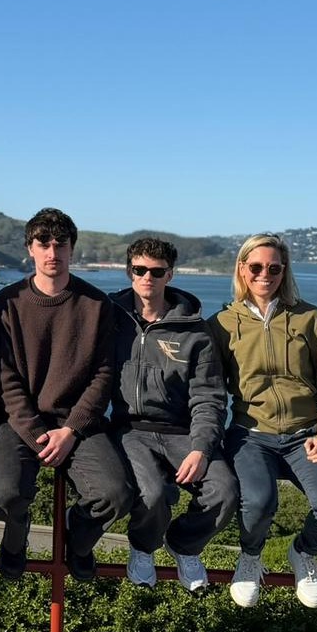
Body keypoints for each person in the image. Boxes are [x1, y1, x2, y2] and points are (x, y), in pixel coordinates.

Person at [0, 208, 133, 582]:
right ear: (30, 249)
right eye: (44, 244)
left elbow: (103, 375)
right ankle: (15, 538)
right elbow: (6, 376)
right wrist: (35, 432)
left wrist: (70, 430)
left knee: (115, 496)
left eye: (61, 244)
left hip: (76, 422)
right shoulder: (8, 301)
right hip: (22, 420)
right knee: (7, 494)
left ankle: (79, 540)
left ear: (72, 248)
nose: (52, 252)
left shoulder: (97, 304)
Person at [209, 233, 317, 609]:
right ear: (242, 269)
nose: (265, 275)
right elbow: (210, 391)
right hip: (250, 435)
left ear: (284, 271)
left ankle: (304, 552)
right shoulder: (221, 324)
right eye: (256, 267)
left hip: (306, 436)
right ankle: (250, 556)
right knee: (258, 502)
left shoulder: (313, 320)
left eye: (274, 268)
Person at [111, 238, 238, 591]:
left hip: (182, 431)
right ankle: (143, 547)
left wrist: (201, 448)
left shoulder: (194, 330)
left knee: (224, 490)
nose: (147, 278)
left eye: (156, 272)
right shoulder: (111, 317)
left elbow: (209, 396)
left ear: (170, 275)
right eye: (139, 270)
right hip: (130, 428)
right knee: (152, 494)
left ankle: (183, 544)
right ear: (129, 271)